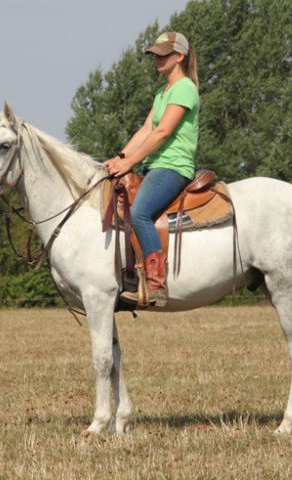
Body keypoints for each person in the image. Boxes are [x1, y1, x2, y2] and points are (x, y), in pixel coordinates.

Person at [104, 31, 200, 306]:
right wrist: (120, 158)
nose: (156, 58)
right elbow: (146, 129)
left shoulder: (184, 88)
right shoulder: (163, 92)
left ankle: (156, 284)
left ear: (179, 56)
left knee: (141, 213)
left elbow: (162, 132)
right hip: (153, 165)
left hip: (173, 167)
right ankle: (128, 277)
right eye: (155, 54)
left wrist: (130, 163)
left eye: (163, 54)